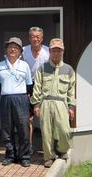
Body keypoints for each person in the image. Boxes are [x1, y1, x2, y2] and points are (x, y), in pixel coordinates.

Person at [30, 38, 76, 168]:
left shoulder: (68, 69)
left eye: (59, 50)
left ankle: (62, 150)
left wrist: (71, 107)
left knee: (64, 130)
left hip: (61, 104)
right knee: (46, 132)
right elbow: (37, 87)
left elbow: (71, 90)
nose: (56, 53)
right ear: (50, 51)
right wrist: (36, 104)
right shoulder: (42, 68)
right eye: (54, 50)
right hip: (45, 102)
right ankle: (48, 157)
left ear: (63, 51)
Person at [0, 37, 32, 167]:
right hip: (6, 99)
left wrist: (19, 95)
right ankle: (10, 155)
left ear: (20, 51)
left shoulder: (25, 65)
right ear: (6, 49)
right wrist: (8, 93)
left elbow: (29, 85)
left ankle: (24, 156)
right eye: (10, 47)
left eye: (15, 47)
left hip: (21, 99)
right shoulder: (0, 65)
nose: (12, 49)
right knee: (7, 129)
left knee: (23, 128)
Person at [22, 26, 49, 155]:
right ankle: (29, 146)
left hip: (44, 86)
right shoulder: (23, 51)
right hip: (28, 86)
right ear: (29, 38)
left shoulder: (48, 52)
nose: (35, 39)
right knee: (29, 119)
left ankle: (47, 147)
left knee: (45, 118)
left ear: (42, 38)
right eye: (33, 36)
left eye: (38, 37)